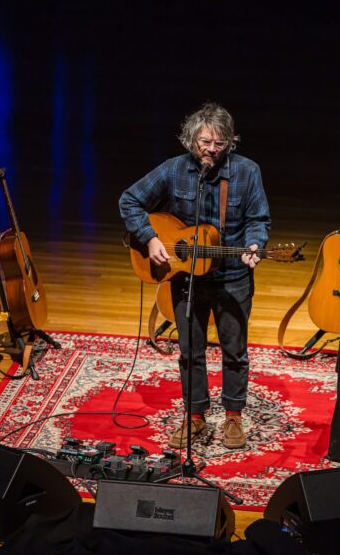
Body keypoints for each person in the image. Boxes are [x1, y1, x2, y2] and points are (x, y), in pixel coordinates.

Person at [119, 102, 271, 449]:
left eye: (219, 144)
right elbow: (129, 201)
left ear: (229, 142)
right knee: (190, 351)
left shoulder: (247, 172)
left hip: (232, 276)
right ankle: (195, 417)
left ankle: (233, 416)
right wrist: (151, 238)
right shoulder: (174, 170)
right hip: (185, 279)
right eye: (205, 142)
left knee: (235, 351)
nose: (211, 151)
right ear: (191, 139)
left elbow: (259, 219)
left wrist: (254, 244)